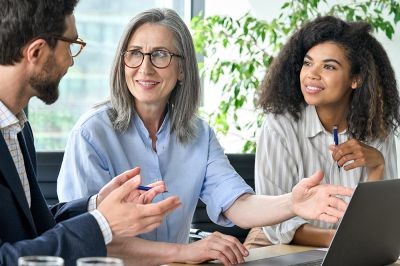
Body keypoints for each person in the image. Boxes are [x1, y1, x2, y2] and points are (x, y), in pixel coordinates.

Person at [57, 9, 353, 265]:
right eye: (135, 54)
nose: (144, 67)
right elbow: (87, 240)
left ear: (182, 69)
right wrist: (185, 251)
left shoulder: (199, 134)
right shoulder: (91, 133)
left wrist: (293, 203)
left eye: (160, 55)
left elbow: (238, 205)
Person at [0, 1, 182, 265]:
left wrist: (96, 205)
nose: (71, 62)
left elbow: (33, 229)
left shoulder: (18, 129)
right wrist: (102, 223)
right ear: (37, 51)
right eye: (70, 45)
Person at [244, 15, 400, 249]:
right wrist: (341, 241)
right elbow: (275, 227)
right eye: (308, 63)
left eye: (328, 66)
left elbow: (377, 221)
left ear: (355, 79)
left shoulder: (376, 127)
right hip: (276, 242)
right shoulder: (280, 125)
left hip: (350, 247)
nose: (312, 74)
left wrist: (377, 165)